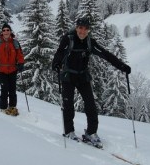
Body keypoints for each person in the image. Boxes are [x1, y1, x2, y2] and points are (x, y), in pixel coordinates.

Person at [52, 17, 131, 146]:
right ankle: (69, 131)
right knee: (68, 106)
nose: (82, 31)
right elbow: (60, 53)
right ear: (76, 28)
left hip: (83, 76)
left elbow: (106, 55)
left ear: (88, 30)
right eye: (80, 28)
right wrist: (55, 64)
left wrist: (122, 66)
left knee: (91, 106)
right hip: (68, 76)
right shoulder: (68, 39)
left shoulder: (90, 42)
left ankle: (91, 132)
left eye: (85, 29)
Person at [0, 23, 24, 116]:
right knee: (4, 89)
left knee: (12, 89)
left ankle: (12, 106)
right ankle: (3, 107)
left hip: (13, 69)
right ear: (2, 32)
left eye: (7, 30)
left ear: (10, 31)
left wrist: (21, 63)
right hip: (1, 70)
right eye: (4, 30)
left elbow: (20, 54)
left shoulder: (15, 42)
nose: (6, 32)